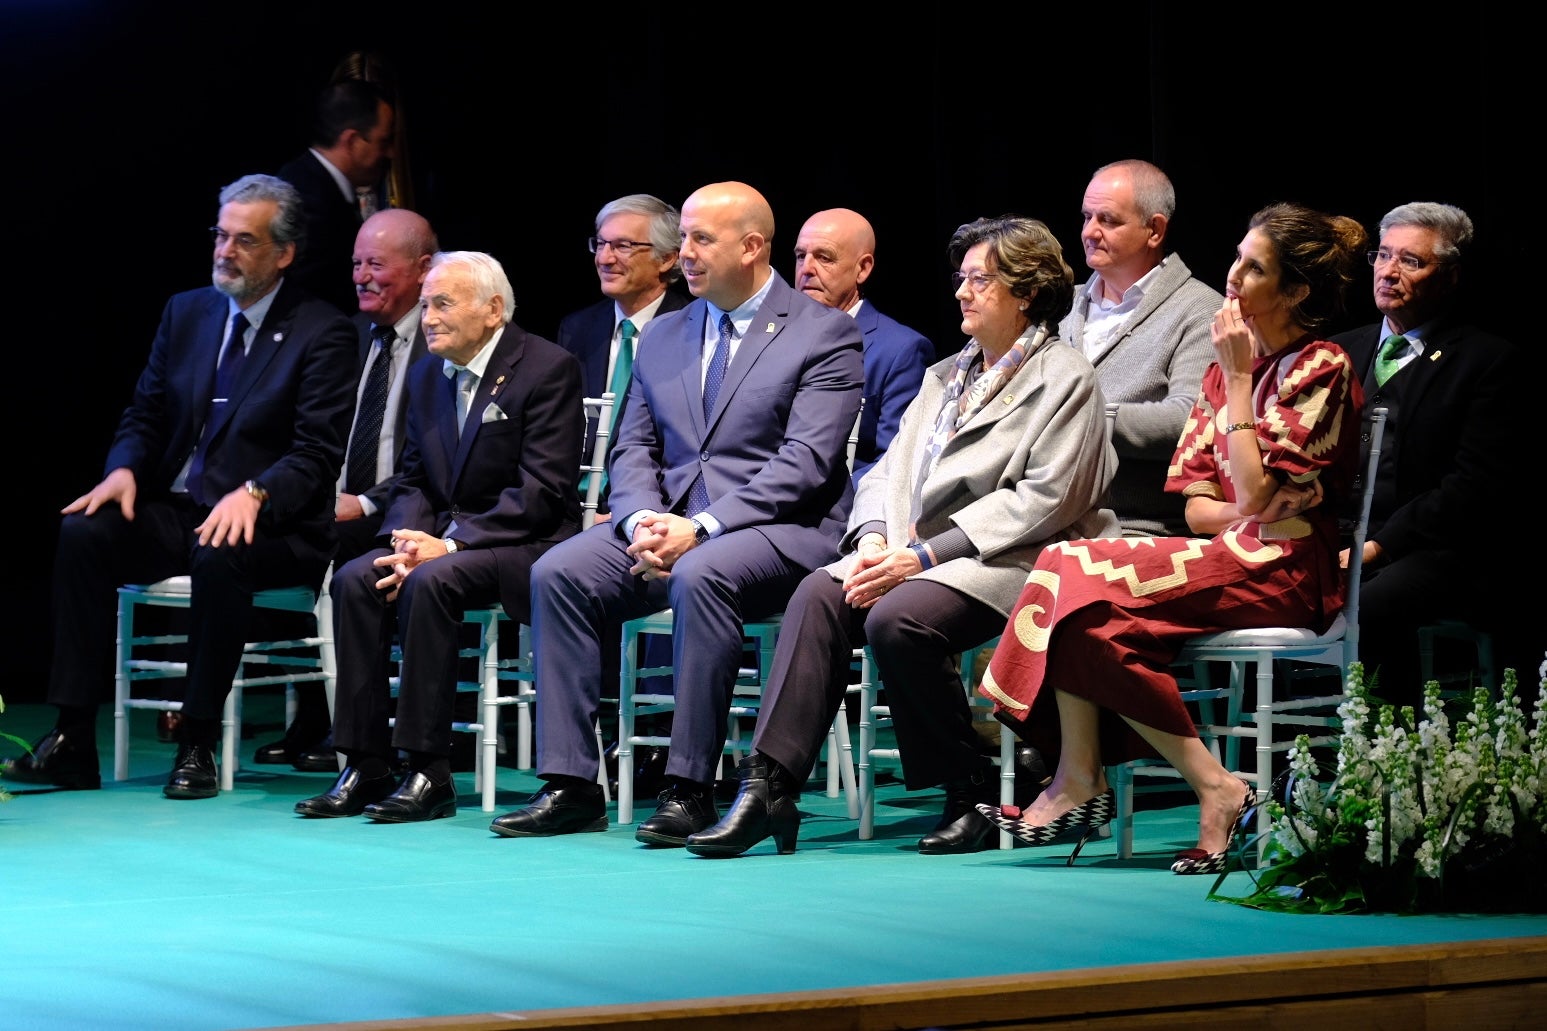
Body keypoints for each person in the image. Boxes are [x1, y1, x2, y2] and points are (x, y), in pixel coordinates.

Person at [683, 215, 1120, 858]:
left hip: (1016, 556)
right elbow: (888, 467)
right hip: (913, 550)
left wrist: (923, 554)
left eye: (980, 280)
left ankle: (967, 786)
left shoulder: (1066, 378)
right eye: (961, 279)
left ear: (1025, 293)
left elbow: (1045, 500)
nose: (962, 293)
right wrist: (870, 537)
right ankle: (769, 787)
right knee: (818, 594)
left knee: (900, 620)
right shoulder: (945, 376)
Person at [975, 203, 1368, 875]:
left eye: (1254, 267)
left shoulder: (1318, 366)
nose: (1233, 276)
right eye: (1237, 257)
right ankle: (1213, 786)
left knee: (1068, 561)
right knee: (1083, 623)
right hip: (1228, 554)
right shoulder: (1219, 370)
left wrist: (1243, 389)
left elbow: (1240, 496)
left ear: (1296, 291)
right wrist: (1261, 501)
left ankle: (1076, 776)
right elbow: (1196, 506)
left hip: (1285, 574)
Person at [489, 181, 863, 845]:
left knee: (703, 573)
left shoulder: (823, 332)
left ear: (751, 247)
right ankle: (572, 782)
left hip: (781, 532)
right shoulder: (663, 333)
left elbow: (805, 462)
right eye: (682, 237)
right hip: (668, 527)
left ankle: (687, 786)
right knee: (559, 571)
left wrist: (703, 526)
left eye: (699, 239)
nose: (680, 252)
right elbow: (631, 447)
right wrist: (639, 520)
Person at [3, 174, 357, 798]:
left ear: (284, 253)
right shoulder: (187, 310)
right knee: (84, 532)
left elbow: (316, 454)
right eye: (221, 235)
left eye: (244, 241)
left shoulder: (320, 330)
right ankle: (73, 738)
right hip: (181, 507)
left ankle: (196, 743)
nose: (224, 251)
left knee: (220, 552)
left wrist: (255, 492)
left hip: (275, 524)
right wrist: (123, 470)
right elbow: (145, 412)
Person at [295, 250, 584, 822]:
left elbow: (541, 491)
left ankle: (429, 768)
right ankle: (364, 762)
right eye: (426, 304)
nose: (427, 317)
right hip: (440, 544)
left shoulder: (547, 367)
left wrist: (448, 544)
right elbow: (414, 475)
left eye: (443, 304)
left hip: (524, 543)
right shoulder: (429, 371)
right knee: (356, 579)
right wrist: (407, 540)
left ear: (493, 310)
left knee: (432, 581)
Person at [253, 207, 437, 772]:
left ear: (424, 270)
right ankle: (315, 711)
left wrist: (368, 501)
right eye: (357, 263)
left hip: (405, 512)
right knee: (270, 536)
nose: (361, 276)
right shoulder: (346, 336)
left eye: (377, 264)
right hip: (329, 503)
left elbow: (435, 457)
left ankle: (353, 727)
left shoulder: (443, 342)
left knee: (341, 545)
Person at [1329, 203, 1537, 703]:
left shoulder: (1487, 361)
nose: (1389, 272)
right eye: (1382, 256)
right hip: (1337, 542)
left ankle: (1383, 751)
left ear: (1449, 278)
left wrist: (1377, 547)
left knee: (1367, 605)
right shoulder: (1336, 353)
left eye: (1411, 262)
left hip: (1438, 551)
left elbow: (1475, 486)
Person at [556, 193, 690, 796]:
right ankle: (574, 760)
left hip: (666, 507)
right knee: (552, 565)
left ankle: (659, 730)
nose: (606, 257)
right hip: (579, 509)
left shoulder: (693, 325)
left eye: (624, 246)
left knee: (657, 556)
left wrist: (631, 512)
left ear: (667, 261)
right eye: (600, 243)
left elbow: (683, 445)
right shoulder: (578, 329)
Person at [1060, 159, 1220, 536]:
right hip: (1039, 519)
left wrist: (1075, 419)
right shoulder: (1061, 305)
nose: (1090, 232)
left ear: (1155, 229)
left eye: (1108, 220)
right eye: (1086, 217)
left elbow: (1189, 419)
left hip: (1132, 527)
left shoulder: (1200, 310)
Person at [792, 208, 934, 486]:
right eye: (800, 256)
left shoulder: (901, 351)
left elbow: (893, 463)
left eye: (823, 257)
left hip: (841, 516)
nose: (806, 268)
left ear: (863, 268)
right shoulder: (776, 339)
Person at [276, 79, 397, 314]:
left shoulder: (314, 183)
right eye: (383, 142)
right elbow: (317, 294)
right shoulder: (302, 197)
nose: (390, 153)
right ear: (352, 141)